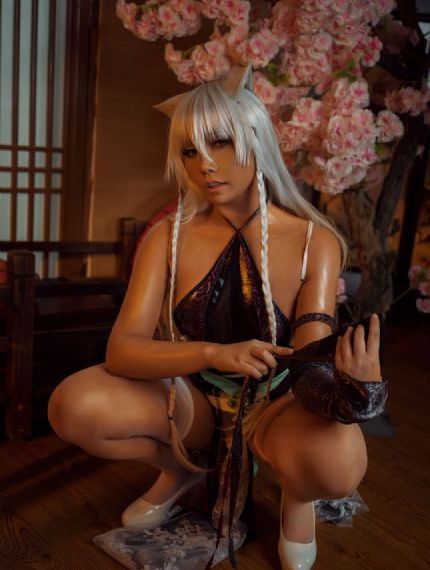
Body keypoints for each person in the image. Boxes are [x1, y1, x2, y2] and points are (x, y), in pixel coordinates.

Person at [47, 64, 387, 570]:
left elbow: (309, 354)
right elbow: (122, 351)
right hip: (193, 399)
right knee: (73, 406)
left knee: (339, 464)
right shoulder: (167, 237)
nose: (205, 164)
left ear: (256, 139)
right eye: (190, 151)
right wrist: (212, 353)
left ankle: (299, 496)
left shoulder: (314, 240)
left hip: (278, 403)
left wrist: (358, 391)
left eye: (221, 142)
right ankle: (184, 469)